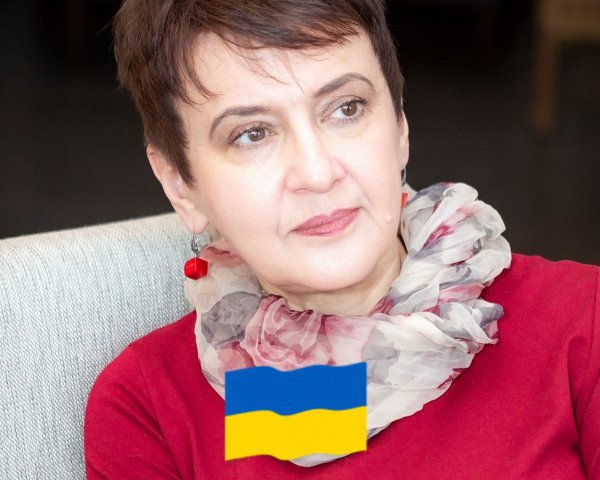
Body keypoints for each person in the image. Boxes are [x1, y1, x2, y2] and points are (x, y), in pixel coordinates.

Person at [84, 0, 600, 478]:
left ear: (399, 123)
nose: (317, 173)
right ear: (180, 184)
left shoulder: (581, 322)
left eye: (346, 108)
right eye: (252, 134)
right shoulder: (149, 406)